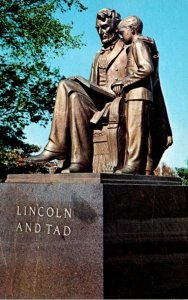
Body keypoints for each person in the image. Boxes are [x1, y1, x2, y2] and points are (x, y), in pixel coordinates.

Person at [28, 8, 128, 173]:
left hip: (116, 102)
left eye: (105, 28)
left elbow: (142, 77)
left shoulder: (128, 49)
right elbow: (94, 84)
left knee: (65, 85)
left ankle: (56, 146)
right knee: (73, 96)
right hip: (97, 102)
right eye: (98, 29)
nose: (101, 32)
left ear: (116, 27)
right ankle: (79, 160)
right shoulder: (98, 55)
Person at [112, 16, 173, 174]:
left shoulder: (138, 43)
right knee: (143, 132)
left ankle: (134, 165)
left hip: (138, 95)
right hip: (141, 95)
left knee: (135, 131)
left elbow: (146, 68)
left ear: (132, 29)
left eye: (122, 32)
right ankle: (145, 166)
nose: (120, 36)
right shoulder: (142, 43)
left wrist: (123, 82)